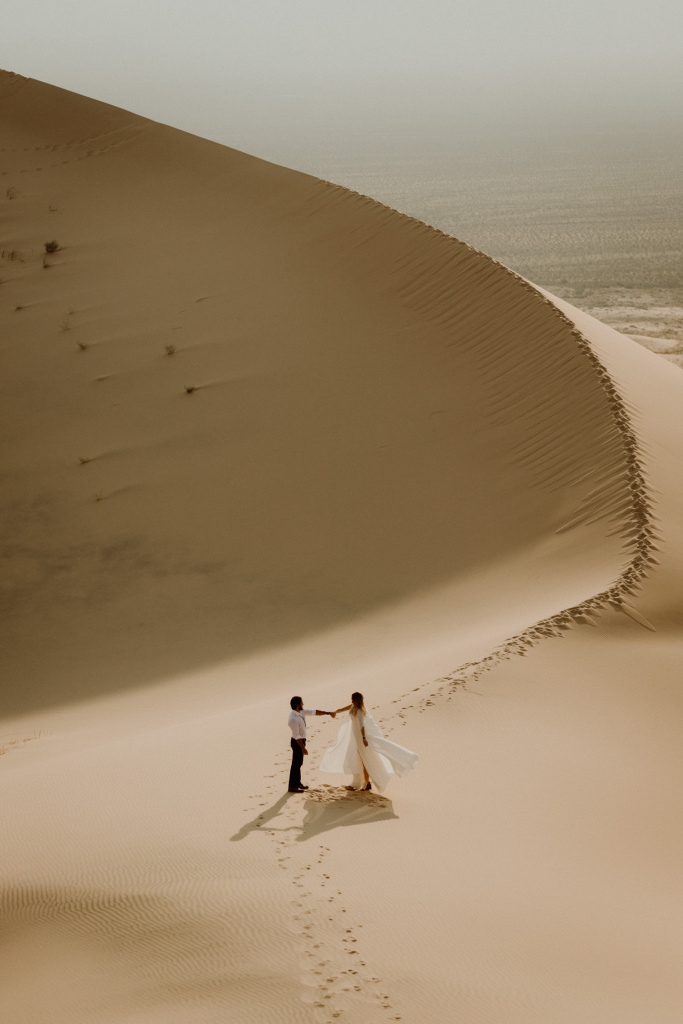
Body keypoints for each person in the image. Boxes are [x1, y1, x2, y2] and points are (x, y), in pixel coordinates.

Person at [320, 692, 418, 792]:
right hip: (355, 738)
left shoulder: (360, 711)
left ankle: (366, 783)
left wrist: (363, 738)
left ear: (356, 700)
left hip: (361, 738)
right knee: (358, 760)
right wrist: (334, 712)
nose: (351, 701)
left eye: (352, 699)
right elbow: (342, 709)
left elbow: (362, 725)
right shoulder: (353, 706)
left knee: (364, 760)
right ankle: (360, 783)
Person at [288, 697, 336, 793]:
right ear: (298, 705)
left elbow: (314, 712)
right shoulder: (293, 719)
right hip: (297, 742)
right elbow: (296, 736)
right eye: (302, 703)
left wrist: (328, 713)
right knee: (296, 764)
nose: (303, 704)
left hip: (301, 741)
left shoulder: (301, 712)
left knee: (299, 763)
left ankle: (298, 783)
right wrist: (303, 748)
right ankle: (292, 787)